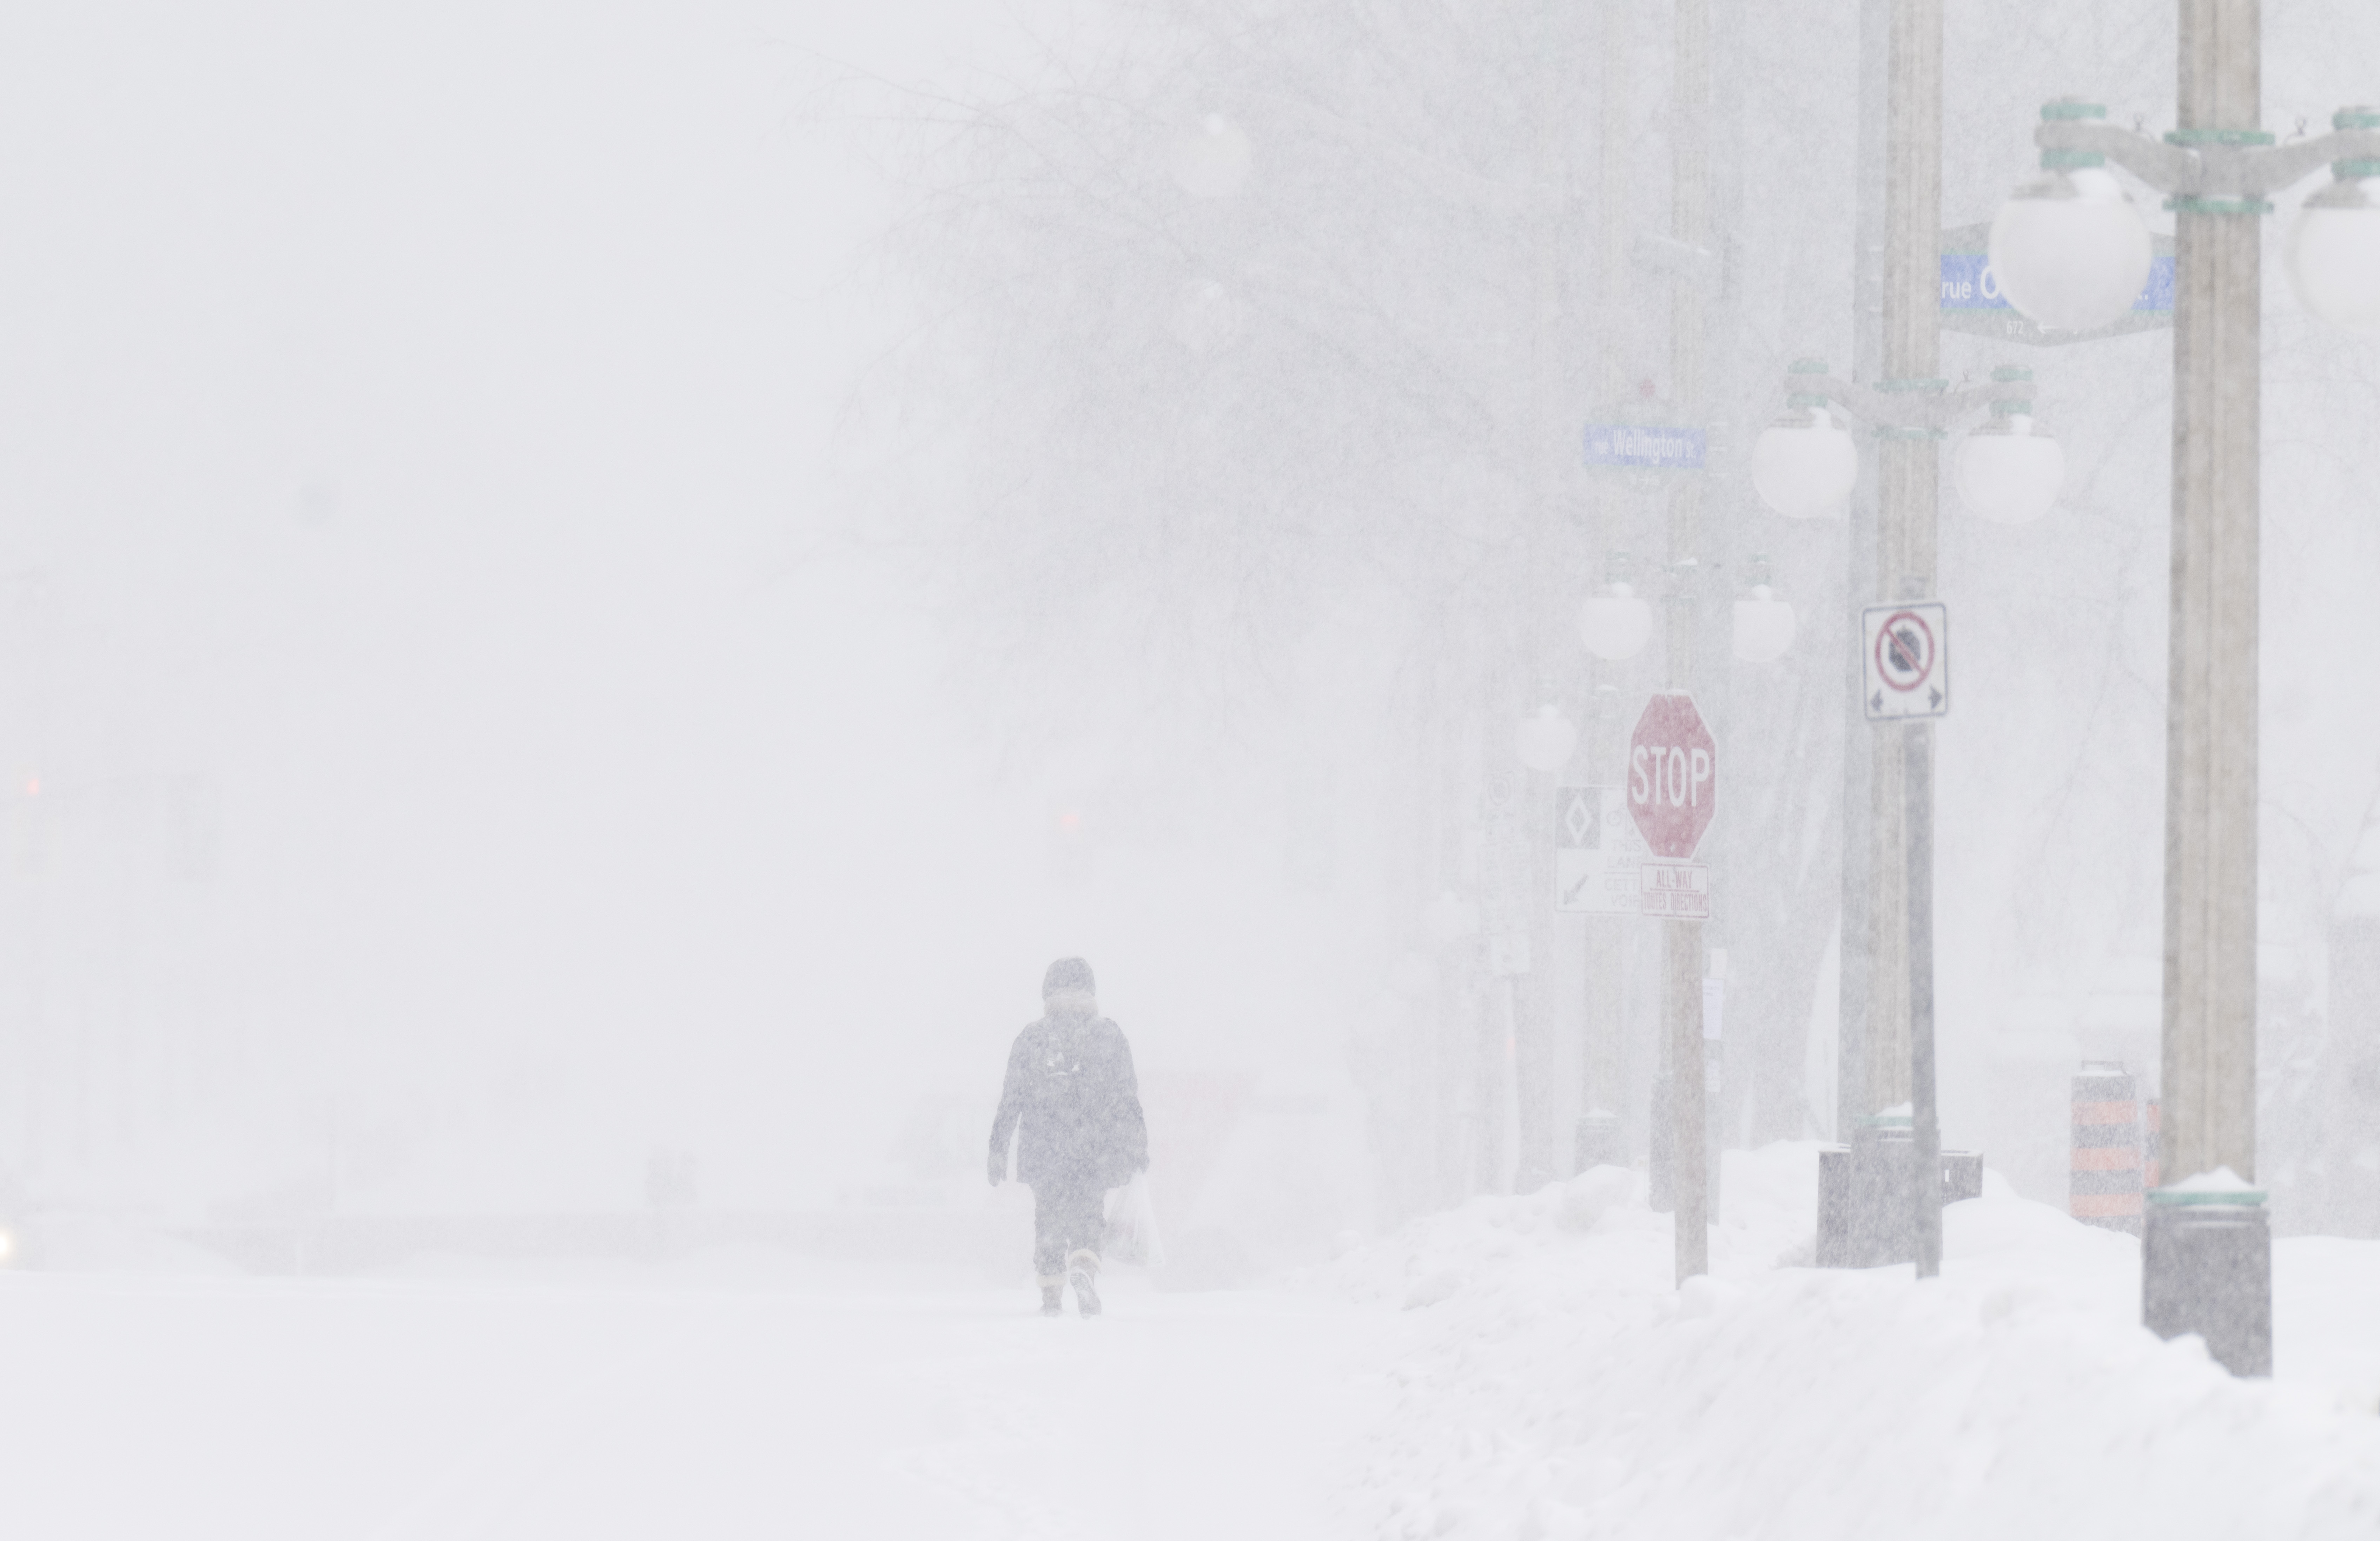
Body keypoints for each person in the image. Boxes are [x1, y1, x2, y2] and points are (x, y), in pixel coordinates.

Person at [987, 957, 1149, 1316]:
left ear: (1048, 992)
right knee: (1089, 1213)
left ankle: (1050, 1294)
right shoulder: (1109, 1035)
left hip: (1044, 1150)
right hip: (1095, 1148)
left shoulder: (1032, 1038)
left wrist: (998, 1149)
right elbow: (1127, 1098)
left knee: (1048, 1217)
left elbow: (1010, 1099)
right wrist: (1138, 1145)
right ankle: (1084, 1268)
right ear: (1090, 991)